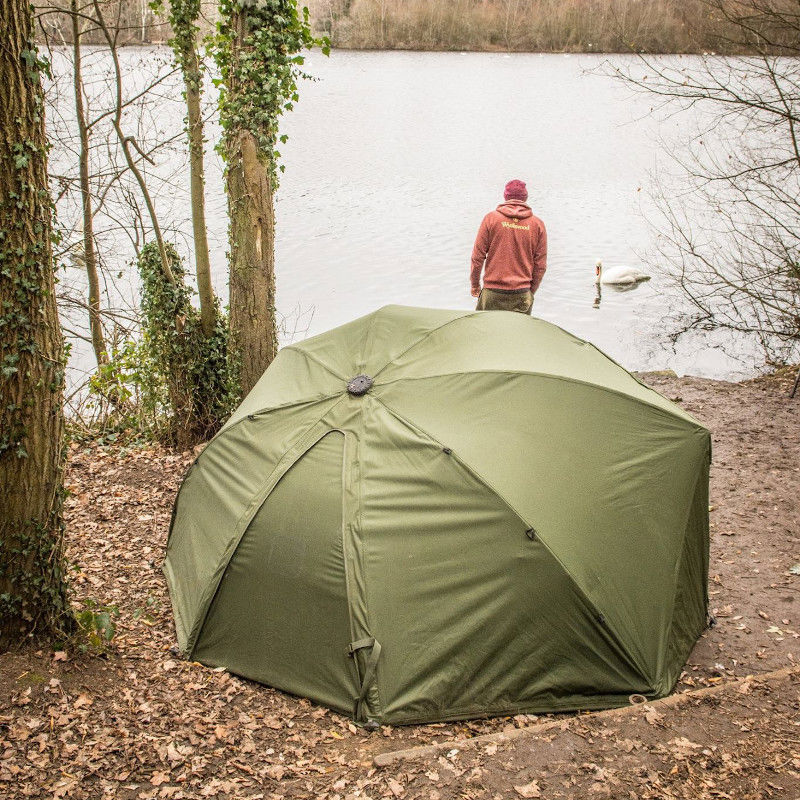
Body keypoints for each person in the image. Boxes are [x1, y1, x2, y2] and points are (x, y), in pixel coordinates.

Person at [470, 179, 547, 314]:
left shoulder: (491, 219)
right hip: (522, 294)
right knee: (518, 335)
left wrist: (475, 285)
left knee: (486, 334)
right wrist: (530, 291)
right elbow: (540, 266)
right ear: (525, 197)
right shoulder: (537, 224)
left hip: (492, 293)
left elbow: (477, 257)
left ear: (505, 196)